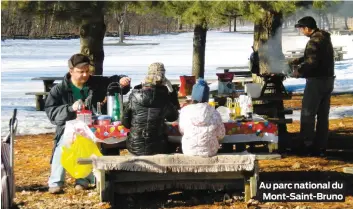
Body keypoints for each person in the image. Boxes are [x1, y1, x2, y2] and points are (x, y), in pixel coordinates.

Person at [44, 53, 131, 194]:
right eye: (81, 72)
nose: (85, 75)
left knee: (90, 144)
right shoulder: (59, 90)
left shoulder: (96, 84)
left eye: (87, 71)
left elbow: (114, 82)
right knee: (63, 145)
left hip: (94, 129)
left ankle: (83, 180)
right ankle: (56, 182)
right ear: (71, 71)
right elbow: (52, 112)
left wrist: (122, 80)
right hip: (68, 128)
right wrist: (70, 108)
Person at [290, 16, 335, 156]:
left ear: (308, 28)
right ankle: (320, 146)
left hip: (316, 81)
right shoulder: (324, 38)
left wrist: (299, 71)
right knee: (323, 115)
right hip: (328, 80)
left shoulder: (313, 41)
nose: (301, 31)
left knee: (308, 114)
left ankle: (306, 145)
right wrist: (298, 60)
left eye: (301, 29)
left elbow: (312, 63)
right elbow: (314, 56)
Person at [122, 63, 179, 156]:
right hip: (158, 147)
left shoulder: (134, 95)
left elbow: (125, 123)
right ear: (163, 79)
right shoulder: (164, 98)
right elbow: (173, 117)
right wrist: (171, 91)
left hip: (134, 146)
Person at [179, 79, 225, 157]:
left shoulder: (185, 111)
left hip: (188, 150)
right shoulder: (214, 112)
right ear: (207, 97)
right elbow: (221, 134)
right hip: (210, 151)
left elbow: (181, 131)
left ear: (193, 97)